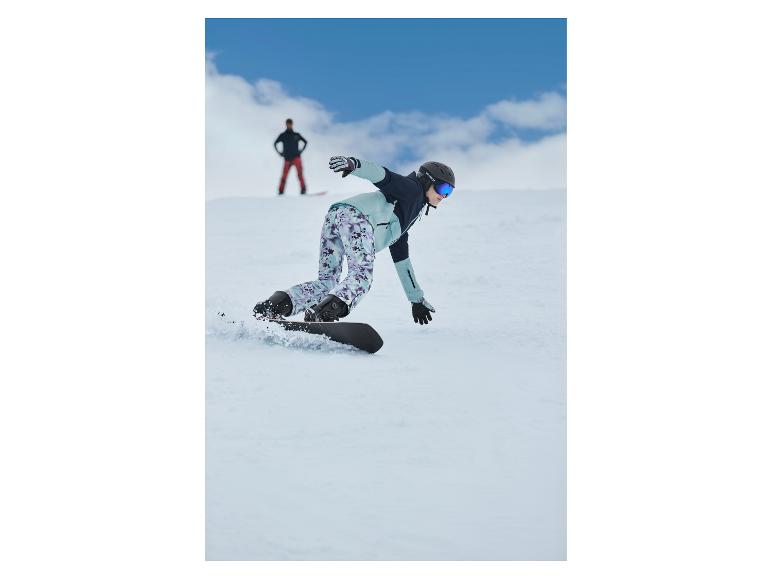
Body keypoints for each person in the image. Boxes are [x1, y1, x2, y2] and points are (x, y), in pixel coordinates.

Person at [253, 157, 455, 325]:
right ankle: (323, 314)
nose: (444, 196)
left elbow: (403, 262)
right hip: (357, 218)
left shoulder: (404, 217)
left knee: (327, 282)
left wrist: (415, 299)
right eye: (443, 188)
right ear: (427, 181)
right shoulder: (413, 190)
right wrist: (355, 164)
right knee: (361, 277)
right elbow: (385, 176)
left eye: (449, 192)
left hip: (336, 216)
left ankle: (274, 306)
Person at [274, 118, 308, 195]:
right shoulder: (283, 135)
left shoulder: (296, 135)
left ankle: (303, 190)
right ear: (286, 124)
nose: (289, 125)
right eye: (288, 123)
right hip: (287, 159)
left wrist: (301, 151)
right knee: (284, 176)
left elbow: (305, 142)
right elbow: (275, 143)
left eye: (290, 123)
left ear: (292, 124)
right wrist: (280, 153)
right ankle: (280, 191)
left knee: (300, 174)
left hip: (296, 158)